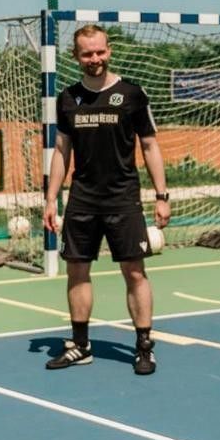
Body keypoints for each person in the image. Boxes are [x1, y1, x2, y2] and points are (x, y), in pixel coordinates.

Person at [42, 24, 170, 374]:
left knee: (134, 272)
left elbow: (149, 146)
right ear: (76, 56)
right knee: (77, 271)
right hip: (82, 199)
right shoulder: (68, 98)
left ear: (108, 51)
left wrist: (162, 196)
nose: (95, 58)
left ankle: (144, 346)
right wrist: (51, 199)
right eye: (87, 53)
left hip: (122, 198)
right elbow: (61, 150)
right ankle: (80, 345)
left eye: (100, 51)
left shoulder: (132, 94)